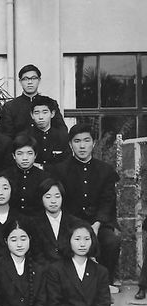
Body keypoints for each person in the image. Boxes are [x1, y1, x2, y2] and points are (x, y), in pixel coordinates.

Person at [47, 123, 121, 291]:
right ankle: (70, 285)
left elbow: (108, 201)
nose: (82, 146)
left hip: (98, 223)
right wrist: (80, 227)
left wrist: (96, 224)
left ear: (93, 143)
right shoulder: (60, 170)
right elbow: (59, 202)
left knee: (111, 241)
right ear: (70, 144)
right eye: (77, 141)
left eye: (86, 141)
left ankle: (106, 283)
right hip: (69, 224)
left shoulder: (105, 170)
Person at [28, 178, 85, 266]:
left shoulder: (75, 223)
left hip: (70, 269)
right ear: (41, 198)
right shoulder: (34, 224)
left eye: (57, 196)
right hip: (44, 269)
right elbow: (36, 255)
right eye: (48, 197)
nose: (53, 201)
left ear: (62, 197)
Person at [0, 64, 67, 137]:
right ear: (20, 81)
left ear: (39, 80)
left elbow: (61, 130)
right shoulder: (10, 107)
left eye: (33, 78)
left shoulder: (50, 103)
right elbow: (6, 135)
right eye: (25, 79)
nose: (30, 82)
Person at [3, 133, 46, 216]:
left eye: (29, 153)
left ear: (35, 155)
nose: (25, 158)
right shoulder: (5, 177)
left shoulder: (45, 177)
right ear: (14, 156)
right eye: (20, 153)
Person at [29, 95, 69, 167]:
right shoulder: (26, 137)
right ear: (32, 115)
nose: (41, 117)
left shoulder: (62, 136)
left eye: (45, 112)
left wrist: (43, 167)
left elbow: (67, 163)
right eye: (36, 113)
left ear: (52, 114)